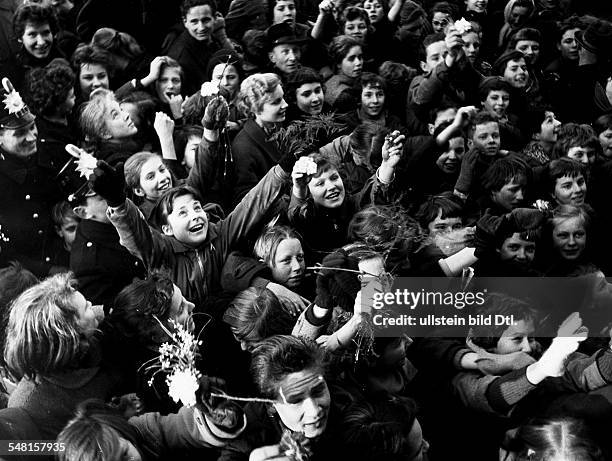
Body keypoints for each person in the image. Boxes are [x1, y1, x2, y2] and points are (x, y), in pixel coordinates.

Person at [4, 273, 118, 441]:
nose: (91, 305)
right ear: (69, 336)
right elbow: (56, 451)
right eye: (86, 307)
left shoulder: (84, 337)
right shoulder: (28, 407)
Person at [218, 335, 334, 461]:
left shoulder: (349, 407)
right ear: (271, 404)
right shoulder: (247, 433)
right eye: (296, 401)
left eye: (318, 391)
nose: (315, 411)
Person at [0, 77, 61, 277]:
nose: (32, 137)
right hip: (24, 274)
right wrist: (47, 270)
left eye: (32, 127)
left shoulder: (49, 153)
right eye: (20, 133)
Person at [57, 397, 246, 461]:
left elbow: (185, 427)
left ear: (122, 433)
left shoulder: (143, 431)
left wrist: (216, 415)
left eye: (124, 454)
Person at [231, 73, 287, 205]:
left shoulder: (279, 127)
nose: (285, 105)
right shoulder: (243, 147)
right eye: (276, 102)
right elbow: (246, 199)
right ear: (256, 108)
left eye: (282, 98)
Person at [163, 0, 234, 95]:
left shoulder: (211, 38)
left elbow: (233, 62)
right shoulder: (182, 58)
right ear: (185, 22)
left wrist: (221, 35)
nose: (201, 28)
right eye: (194, 22)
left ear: (215, 18)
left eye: (206, 20)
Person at [79, 88, 140, 164]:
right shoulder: (117, 161)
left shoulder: (125, 148)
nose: (126, 115)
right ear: (105, 133)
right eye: (115, 115)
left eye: (121, 109)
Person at [124, 151, 174, 220]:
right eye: (151, 177)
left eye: (162, 170)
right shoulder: (142, 219)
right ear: (139, 191)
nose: (163, 178)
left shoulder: (186, 188)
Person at [324, 35, 363, 112]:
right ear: (338, 63)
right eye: (351, 59)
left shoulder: (357, 80)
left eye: (360, 57)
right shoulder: (343, 95)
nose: (358, 63)